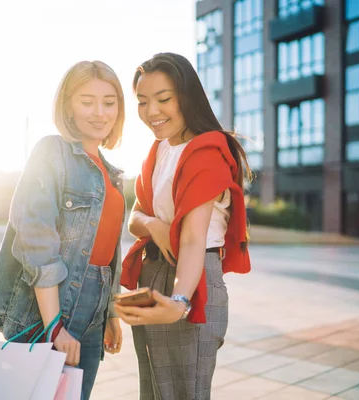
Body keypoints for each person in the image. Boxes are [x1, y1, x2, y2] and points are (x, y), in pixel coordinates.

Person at [0, 60, 126, 400]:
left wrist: (111, 314)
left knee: (74, 395)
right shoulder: (52, 152)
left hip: (95, 306)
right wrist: (53, 326)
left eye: (109, 102)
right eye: (86, 101)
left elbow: (108, 249)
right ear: (68, 106)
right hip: (54, 303)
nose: (99, 112)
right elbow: (36, 239)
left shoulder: (112, 172)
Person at [115, 52, 252, 400]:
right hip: (154, 273)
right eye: (143, 102)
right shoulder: (159, 150)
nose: (152, 112)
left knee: (181, 394)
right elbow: (134, 219)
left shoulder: (205, 151)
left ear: (187, 97)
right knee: (155, 392)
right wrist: (156, 226)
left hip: (191, 278)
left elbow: (192, 239)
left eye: (163, 99)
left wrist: (179, 299)